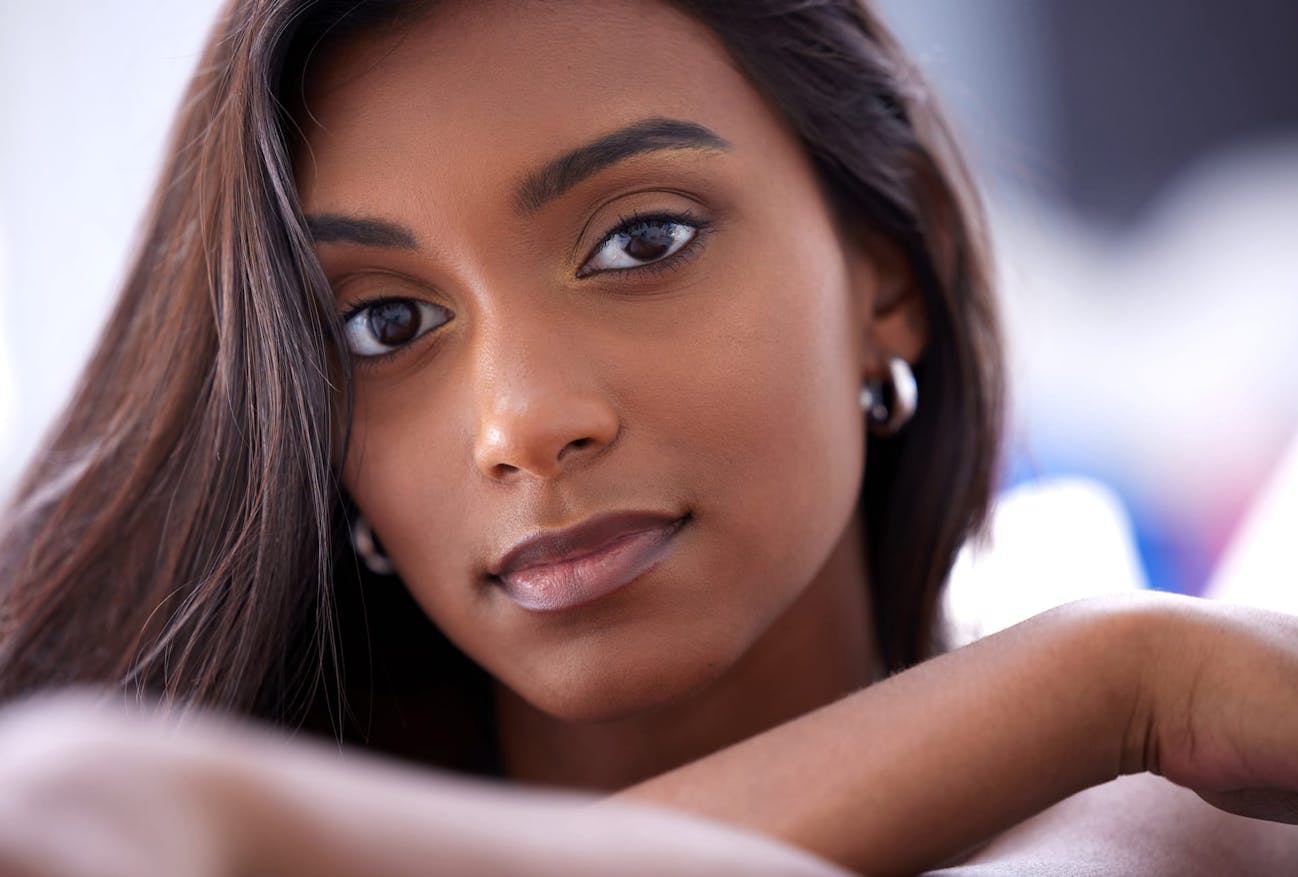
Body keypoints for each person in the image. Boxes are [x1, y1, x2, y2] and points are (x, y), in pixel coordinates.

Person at [1, 1, 1297, 874]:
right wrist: (1108, 678)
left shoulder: (1175, 818)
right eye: (383, 324)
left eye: (643, 240)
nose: (523, 420)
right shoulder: (139, 814)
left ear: (889, 270)